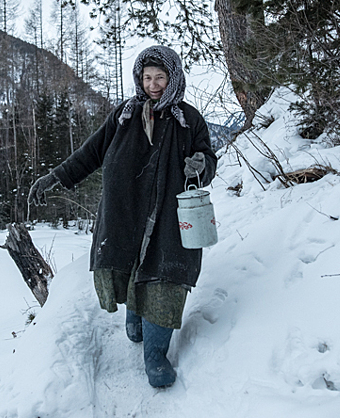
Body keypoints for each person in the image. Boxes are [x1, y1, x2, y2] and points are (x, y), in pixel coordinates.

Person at [28, 45, 217, 388]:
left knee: (165, 279)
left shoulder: (189, 119)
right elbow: (91, 152)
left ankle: (156, 357)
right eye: (147, 77)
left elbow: (207, 156)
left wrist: (202, 164)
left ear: (173, 78)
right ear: (139, 78)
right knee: (130, 269)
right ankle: (135, 317)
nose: (153, 84)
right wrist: (56, 176)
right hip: (125, 212)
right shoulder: (124, 115)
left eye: (160, 77)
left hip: (169, 218)